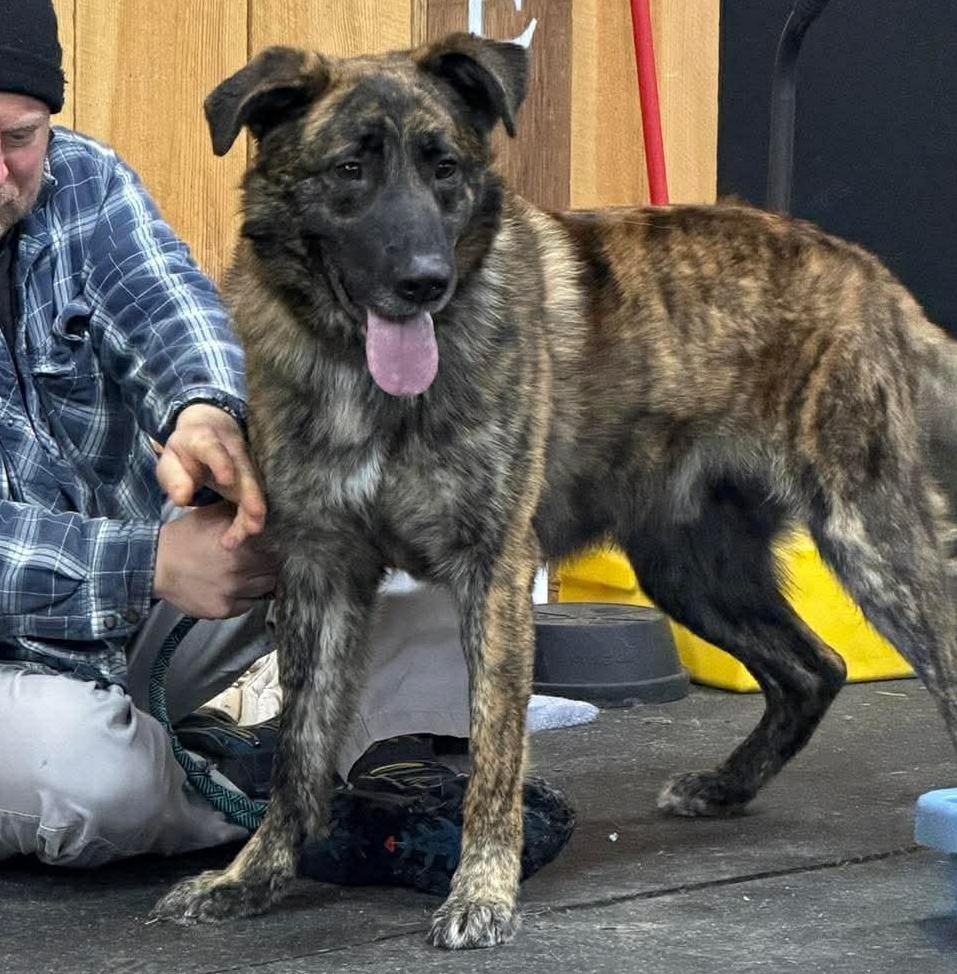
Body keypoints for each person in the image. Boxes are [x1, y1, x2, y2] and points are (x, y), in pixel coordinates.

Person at [0, 0, 572, 893]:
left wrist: (203, 410)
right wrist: (142, 562)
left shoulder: (80, 181)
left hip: (130, 625)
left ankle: (342, 768)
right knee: (73, 774)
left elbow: (170, 310)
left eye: (19, 137)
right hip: (30, 655)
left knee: (416, 563)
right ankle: (263, 811)